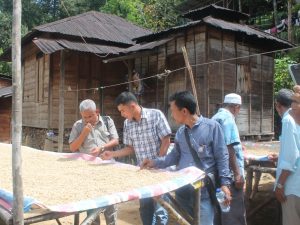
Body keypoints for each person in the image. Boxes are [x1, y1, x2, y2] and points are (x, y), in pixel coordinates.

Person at [140, 91, 232, 225]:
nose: (171, 115)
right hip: (183, 190)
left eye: (172, 111)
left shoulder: (212, 127)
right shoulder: (180, 133)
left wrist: (225, 184)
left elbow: (222, 157)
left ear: (184, 111)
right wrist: (154, 162)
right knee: (183, 222)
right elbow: (173, 157)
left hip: (204, 190)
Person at [101, 91, 171, 225]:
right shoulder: (128, 124)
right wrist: (112, 154)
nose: (122, 114)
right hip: (142, 172)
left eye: (123, 110)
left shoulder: (155, 115)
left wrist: (157, 162)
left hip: (159, 171)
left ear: (132, 106)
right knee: (145, 208)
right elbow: (130, 148)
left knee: (160, 209)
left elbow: (166, 140)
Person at [69, 99, 119, 225]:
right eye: (84, 117)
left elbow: (116, 140)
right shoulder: (78, 125)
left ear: (97, 111)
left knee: (110, 202)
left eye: (90, 116)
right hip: (88, 170)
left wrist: (102, 148)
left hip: (107, 168)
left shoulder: (107, 121)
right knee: (92, 202)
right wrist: (84, 133)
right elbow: (72, 147)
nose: (88, 119)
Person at [211, 93, 247, 225]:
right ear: (236, 107)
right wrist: (238, 174)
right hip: (229, 176)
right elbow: (228, 147)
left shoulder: (215, 117)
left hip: (218, 173)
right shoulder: (228, 119)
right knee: (233, 214)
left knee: (221, 211)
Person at [274, 86, 300, 225]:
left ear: (278, 105)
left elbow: (291, 156)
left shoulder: (288, 119)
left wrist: (279, 185)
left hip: (293, 187)